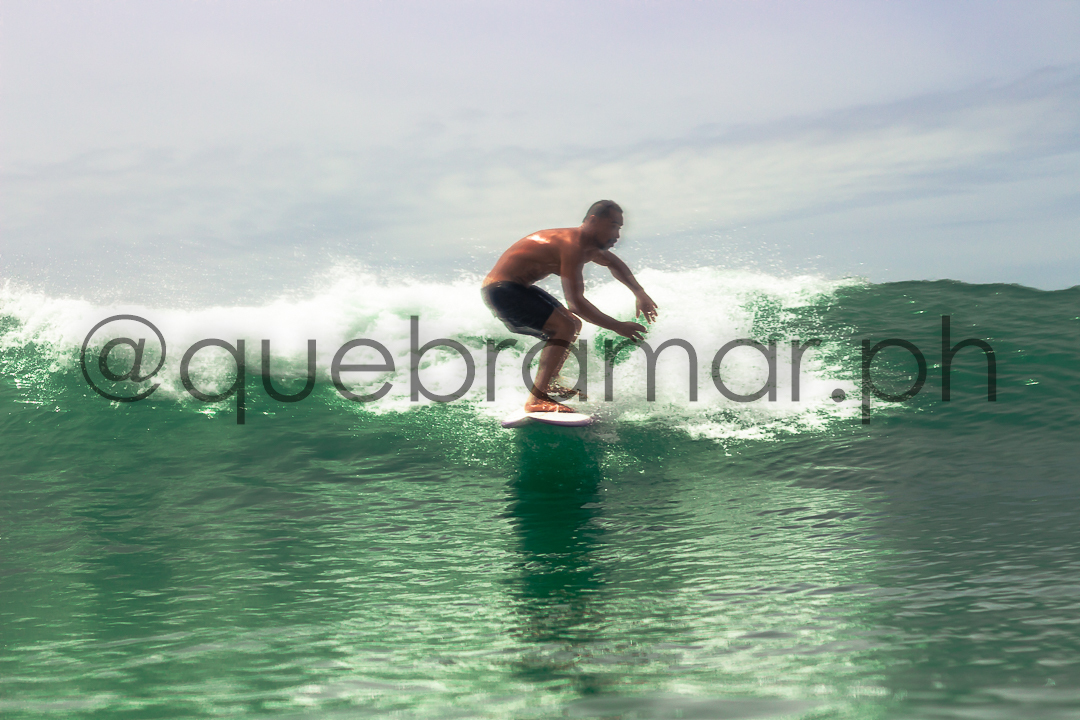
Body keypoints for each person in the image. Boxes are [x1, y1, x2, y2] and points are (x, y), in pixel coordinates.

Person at [481, 200, 659, 413]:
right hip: (501, 290)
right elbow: (576, 304)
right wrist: (617, 326)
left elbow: (614, 263)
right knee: (564, 326)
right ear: (593, 221)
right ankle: (536, 400)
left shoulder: (586, 247)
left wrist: (640, 293)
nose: (617, 235)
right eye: (613, 226)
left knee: (572, 324)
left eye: (619, 228)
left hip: (515, 288)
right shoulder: (572, 245)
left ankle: (549, 384)